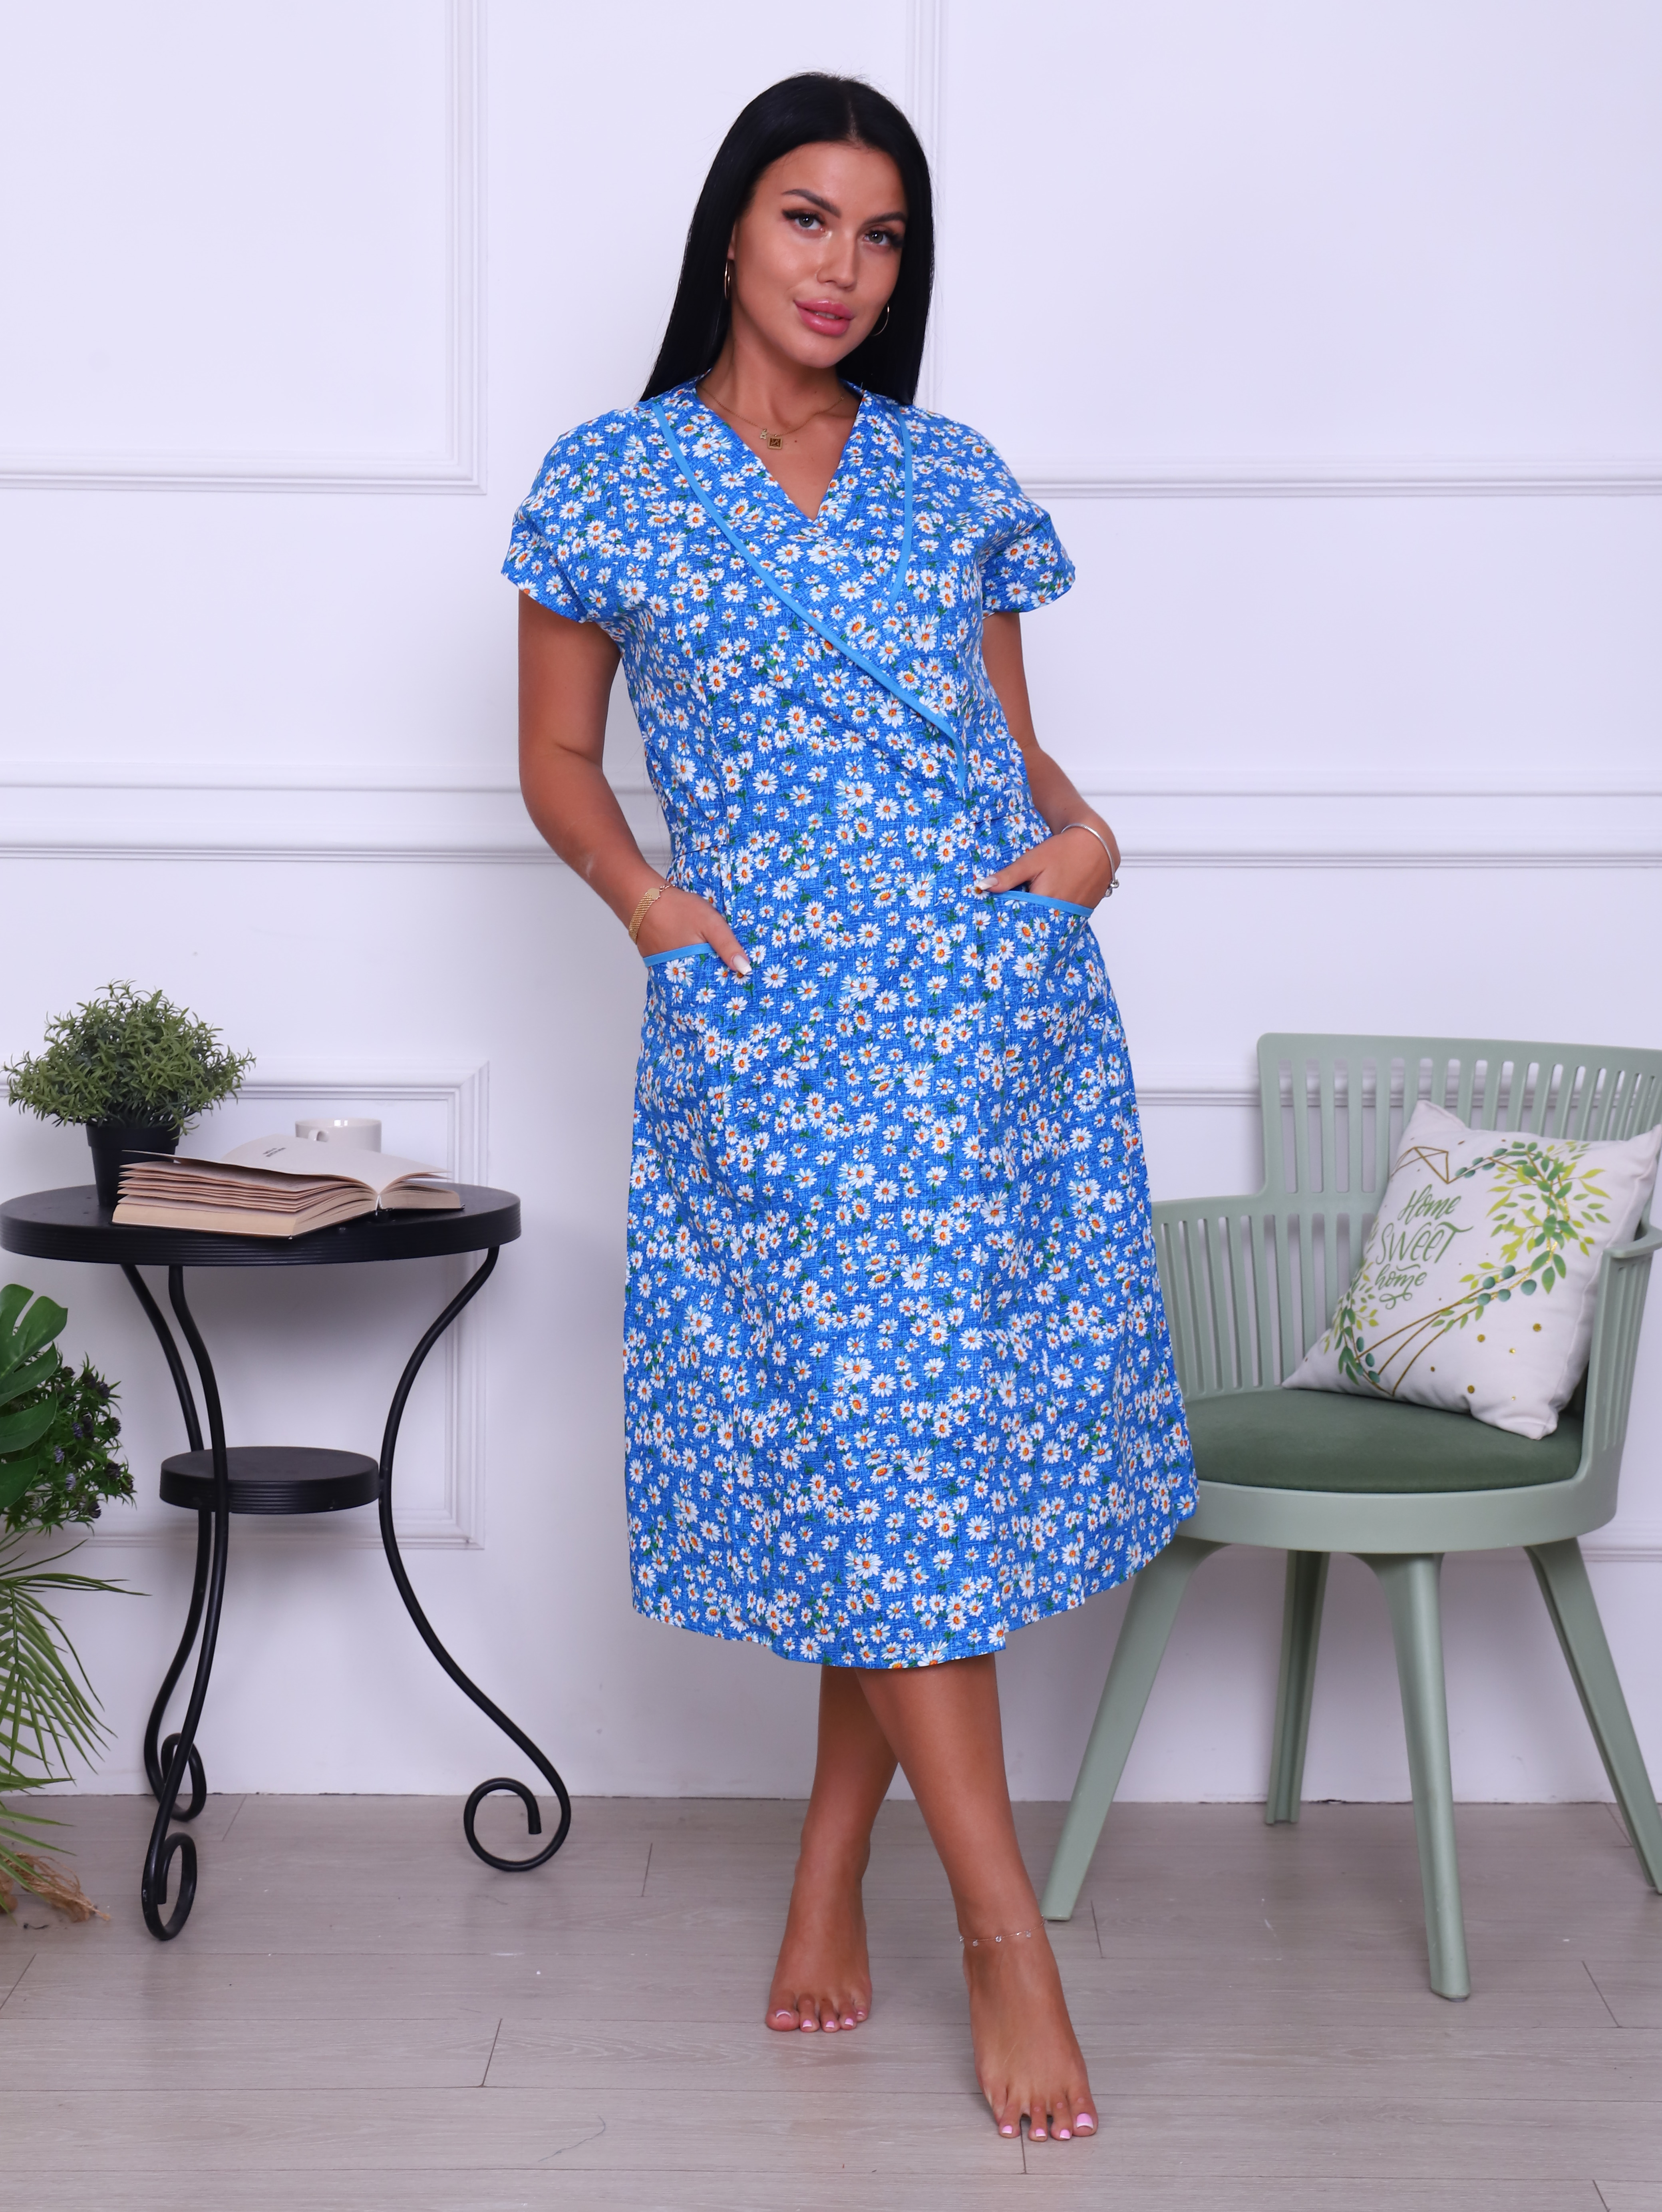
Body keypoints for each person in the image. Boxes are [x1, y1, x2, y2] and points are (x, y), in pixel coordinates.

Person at [508, 72, 1195, 2143]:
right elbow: (555, 757)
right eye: (809, 218)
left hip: (985, 1025)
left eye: (882, 235)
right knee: (866, 1440)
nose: (844, 267)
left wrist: (1086, 844)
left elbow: (1011, 746)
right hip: (768, 1033)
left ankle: (830, 1871)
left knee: (895, 1459)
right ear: (734, 227)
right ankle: (1006, 1934)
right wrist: (655, 908)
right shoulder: (613, 480)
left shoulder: (949, 474)